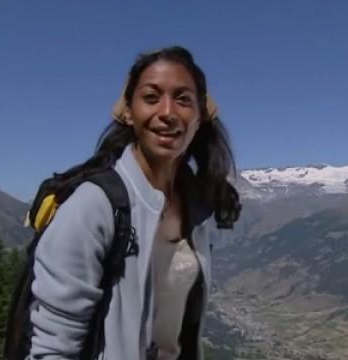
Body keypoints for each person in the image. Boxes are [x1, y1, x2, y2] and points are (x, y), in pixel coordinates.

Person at [28, 46, 241, 360]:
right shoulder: (95, 206)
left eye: (183, 99)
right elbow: (53, 348)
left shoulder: (197, 206)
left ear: (199, 117)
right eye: (151, 97)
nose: (167, 112)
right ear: (129, 112)